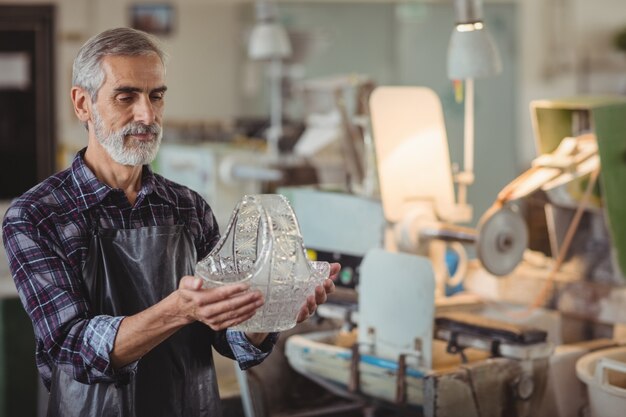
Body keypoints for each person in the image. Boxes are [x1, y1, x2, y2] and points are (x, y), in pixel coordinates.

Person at [2, 27, 338, 417]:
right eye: (126, 96)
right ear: (82, 104)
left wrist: (268, 313)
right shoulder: (37, 215)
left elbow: (229, 340)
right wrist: (179, 309)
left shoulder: (187, 206)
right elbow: (72, 348)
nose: (147, 115)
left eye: (156, 96)